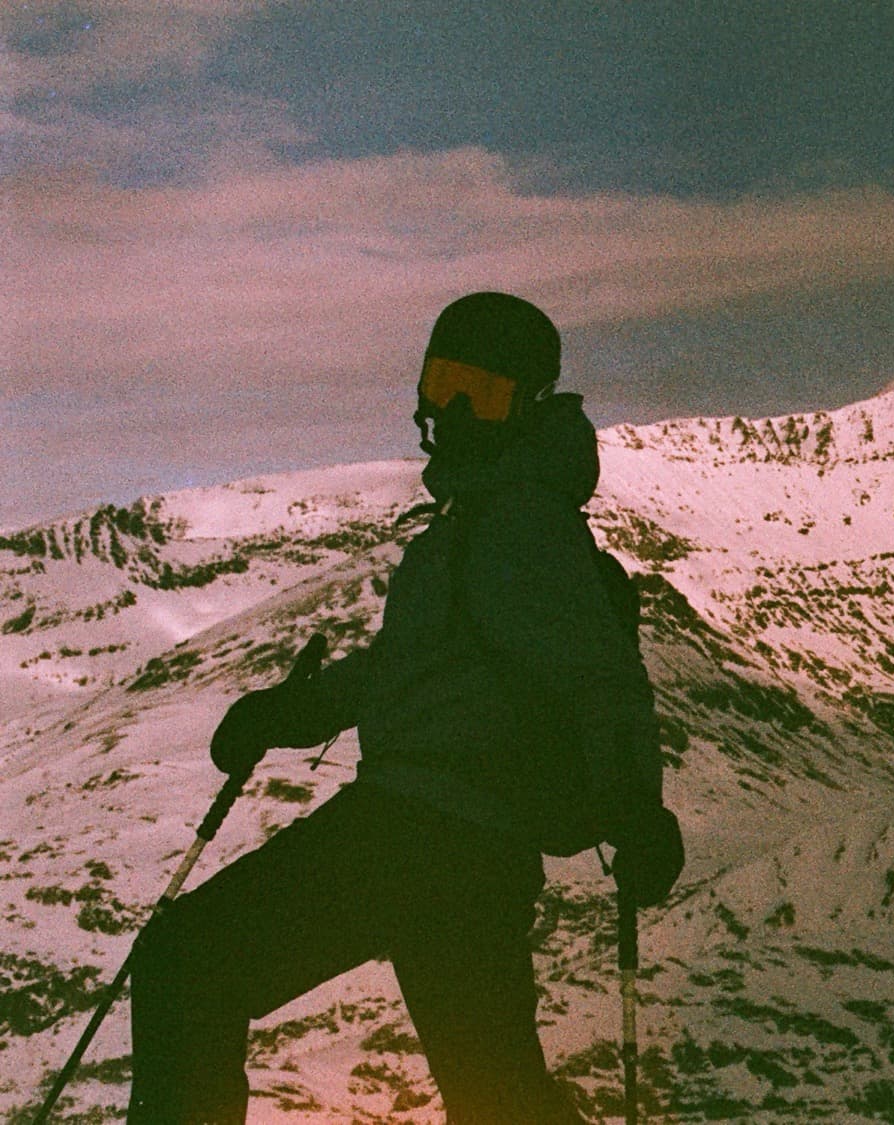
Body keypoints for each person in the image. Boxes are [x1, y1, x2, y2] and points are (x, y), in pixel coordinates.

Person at [127, 292, 685, 1123]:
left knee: (185, 963)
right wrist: (294, 712)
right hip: (476, 857)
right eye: (444, 382)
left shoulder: (521, 521)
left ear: (525, 406)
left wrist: (640, 803)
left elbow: (598, 676)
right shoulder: (476, 518)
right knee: (499, 1097)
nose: (455, 410)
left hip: (416, 829)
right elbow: (414, 668)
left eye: (483, 392)